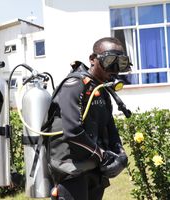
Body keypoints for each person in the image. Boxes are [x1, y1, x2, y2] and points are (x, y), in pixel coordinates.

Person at [49, 37, 129, 200]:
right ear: (93, 59)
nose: (114, 69)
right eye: (109, 61)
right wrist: (103, 155)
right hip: (72, 170)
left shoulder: (101, 89)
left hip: (94, 168)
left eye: (119, 63)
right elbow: (72, 131)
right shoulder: (74, 84)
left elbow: (110, 127)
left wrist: (120, 154)